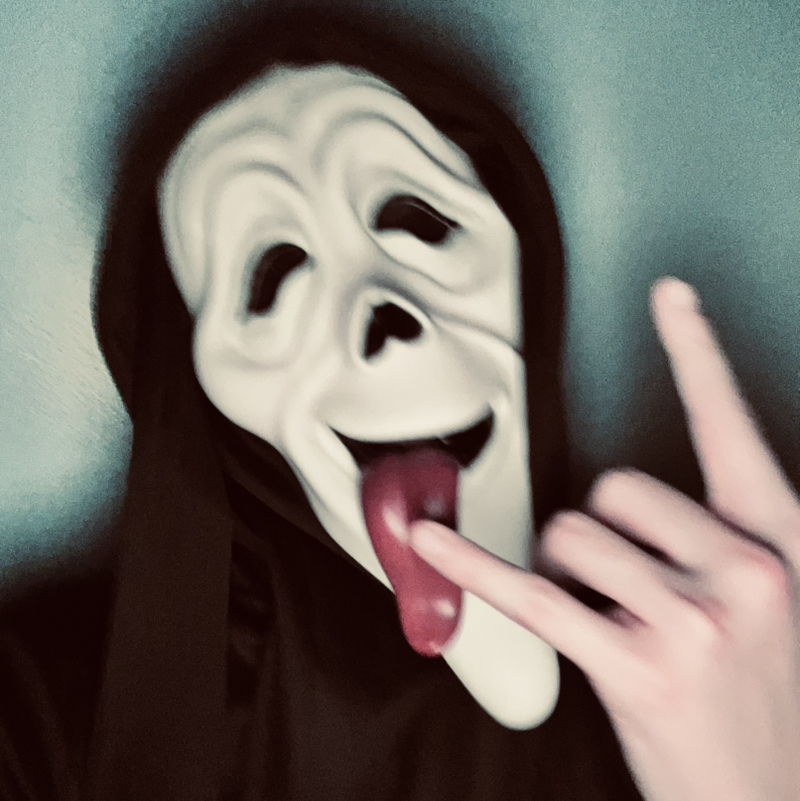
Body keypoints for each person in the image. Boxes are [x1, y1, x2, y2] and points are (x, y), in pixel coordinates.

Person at [1, 7, 797, 801]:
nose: (383, 319)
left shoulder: (742, 665)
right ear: (193, 389)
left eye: (420, 222)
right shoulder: (31, 722)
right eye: (275, 276)